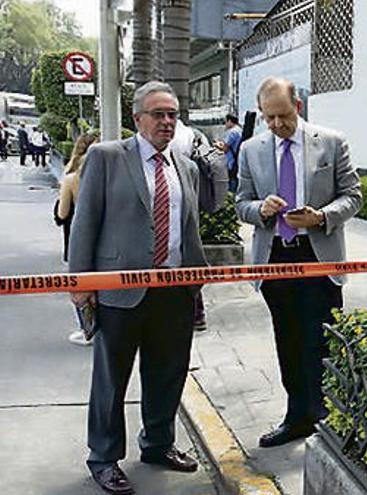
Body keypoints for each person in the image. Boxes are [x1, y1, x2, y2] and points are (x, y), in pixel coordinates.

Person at [68, 81, 208, 495]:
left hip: (174, 291)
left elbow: (189, 228)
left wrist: (195, 280)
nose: (167, 122)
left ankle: (158, 444)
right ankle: (104, 457)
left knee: (167, 373)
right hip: (118, 291)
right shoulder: (107, 157)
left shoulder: (186, 166)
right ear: (137, 119)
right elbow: (85, 222)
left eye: (172, 114)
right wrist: (81, 281)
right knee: (111, 380)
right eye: (158, 114)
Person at [235, 77, 362, 448]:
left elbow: (353, 197)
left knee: (321, 341)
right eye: (268, 118)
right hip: (274, 258)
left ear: (298, 107)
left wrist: (321, 217)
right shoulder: (250, 149)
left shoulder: (332, 142)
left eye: (283, 116)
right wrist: (261, 209)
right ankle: (297, 416)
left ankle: (329, 418)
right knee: (288, 340)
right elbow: (241, 202)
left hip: (318, 256)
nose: (276, 125)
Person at [56, 132, 99, 346]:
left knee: (80, 283)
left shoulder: (71, 178)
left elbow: (62, 214)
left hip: (75, 238)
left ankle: (87, 329)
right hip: (104, 239)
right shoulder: (108, 176)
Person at [214, 113, 242, 192]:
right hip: (237, 160)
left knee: (231, 184)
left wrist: (216, 144)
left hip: (231, 162)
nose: (225, 124)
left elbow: (224, 148)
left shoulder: (232, 132)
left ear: (230, 121)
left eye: (225, 121)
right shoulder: (239, 129)